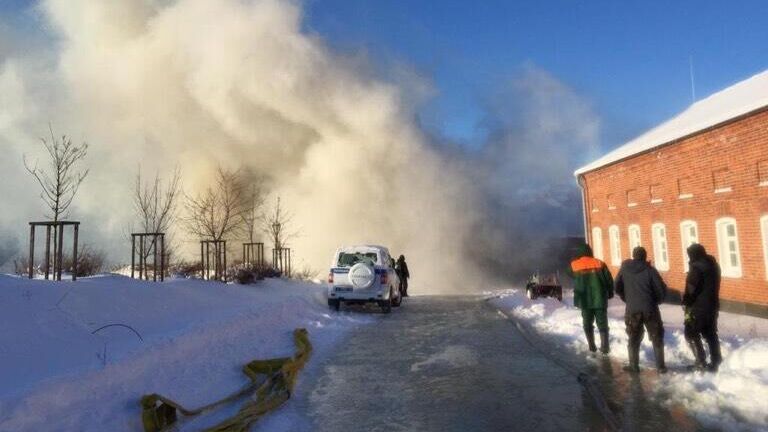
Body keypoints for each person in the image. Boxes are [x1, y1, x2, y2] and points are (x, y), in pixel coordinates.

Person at [614, 246, 668, 373]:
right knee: (656, 336)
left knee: (633, 336)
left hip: (632, 309)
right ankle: (660, 367)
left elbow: (616, 286)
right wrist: (657, 301)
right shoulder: (650, 270)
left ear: (633, 255)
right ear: (644, 256)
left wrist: (626, 297)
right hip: (650, 308)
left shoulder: (624, 269)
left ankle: (634, 365)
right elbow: (660, 289)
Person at [683, 243, 722, 371]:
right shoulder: (714, 265)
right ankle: (716, 361)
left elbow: (691, 289)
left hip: (698, 307)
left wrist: (686, 303)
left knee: (691, 332)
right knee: (710, 334)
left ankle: (700, 361)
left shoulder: (697, 268)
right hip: (713, 305)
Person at [570, 243, 614, 354]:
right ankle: (605, 347)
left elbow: (569, 274)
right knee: (602, 322)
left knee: (587, 322)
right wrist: (610, 292)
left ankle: (591, 346)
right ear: (590, 252)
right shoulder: (600, 263)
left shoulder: (574, 265)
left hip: (584, 300)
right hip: (599, 299)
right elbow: (609, 280)